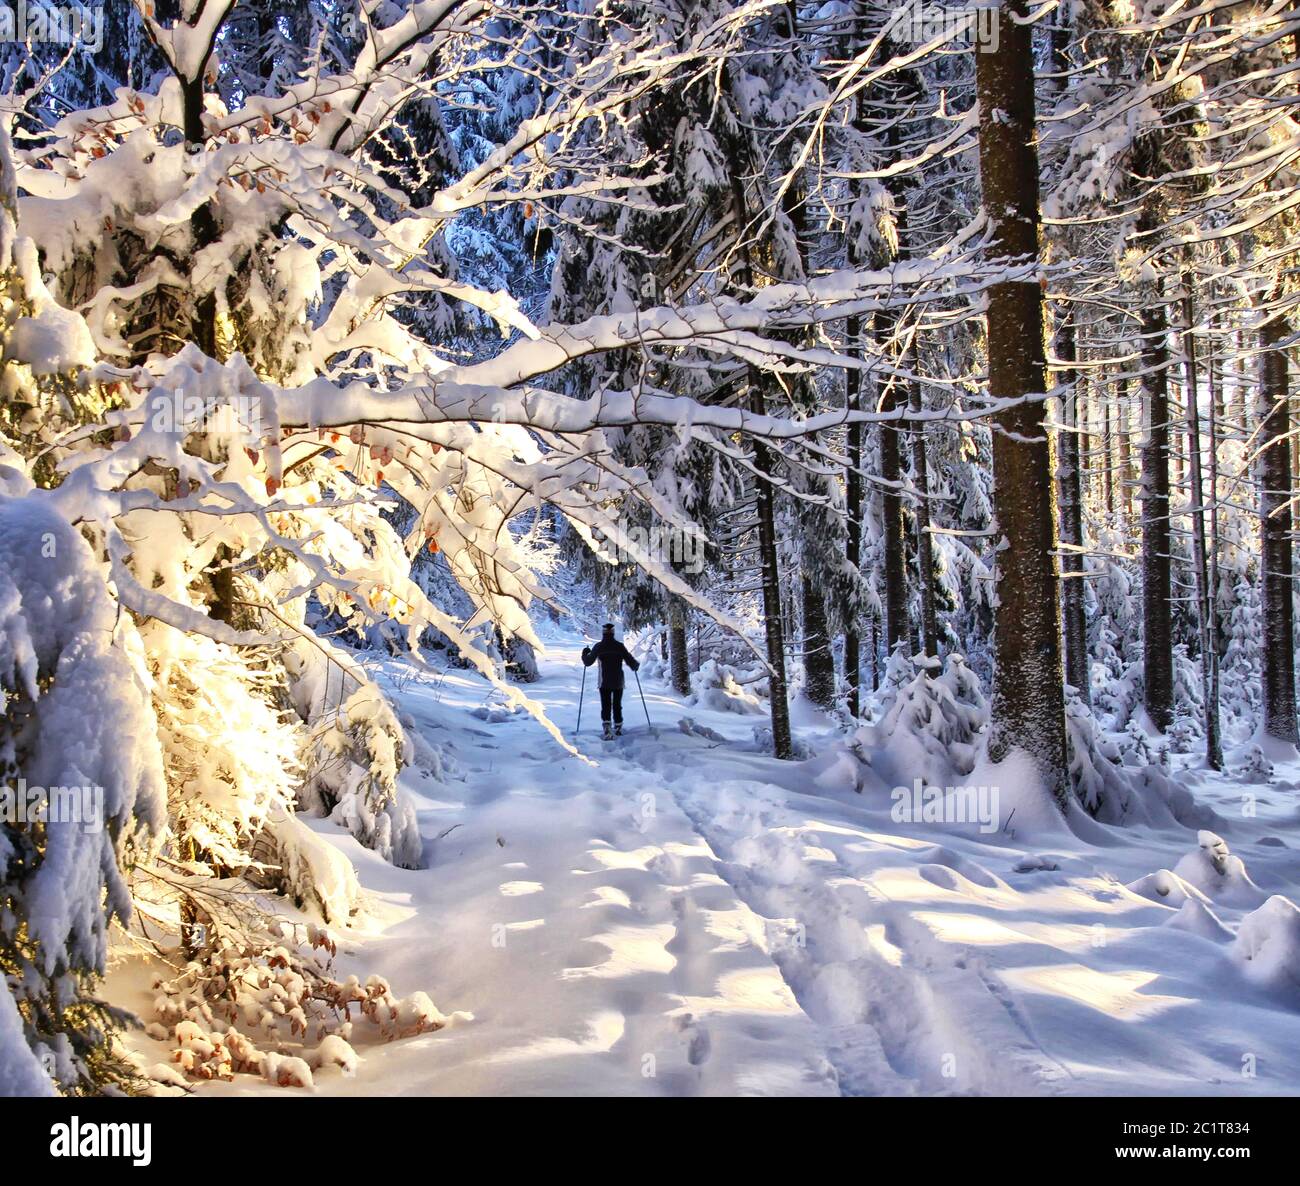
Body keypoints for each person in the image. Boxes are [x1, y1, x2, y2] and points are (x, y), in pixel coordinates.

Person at [581, 624, 640, 739]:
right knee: (617, 705)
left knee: (606, 704)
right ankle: (618, 726)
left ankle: (607, 726)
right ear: (613, 633)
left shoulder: (599, 646)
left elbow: (588, 662)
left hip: (604, 681)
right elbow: (630, 661)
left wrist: (585, 654)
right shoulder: (619, 646)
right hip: (618, 680)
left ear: (603, 633)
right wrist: (635, 666)